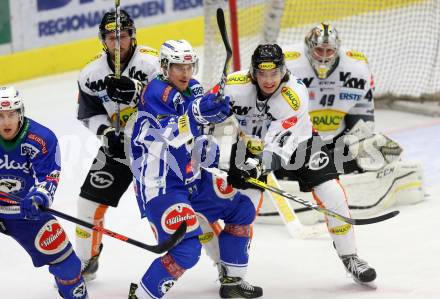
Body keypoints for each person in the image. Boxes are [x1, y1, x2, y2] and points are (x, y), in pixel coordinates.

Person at [106, 39, 262, 298]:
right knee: (187, 250)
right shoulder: (154, 93)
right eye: (178, 67)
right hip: (161, 186)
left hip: (193, 178)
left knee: (241, 207)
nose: (185, 73)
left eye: (190, 66)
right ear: (165, 67)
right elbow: (169, 133)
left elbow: (200, 134)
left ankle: (232, 279)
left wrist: (223, 165)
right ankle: (142, 295)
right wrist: (199, 113)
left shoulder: (194, 88)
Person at [219, 43, 377, 286]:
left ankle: (351, 257)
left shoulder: (294, 95)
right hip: (249, 145)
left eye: (274, 73)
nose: (269, 80)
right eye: (263, 74)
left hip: (299, 143)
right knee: (244, 207)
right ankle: (231, 273)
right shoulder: (233, 85)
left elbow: (277, 150)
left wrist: (258, 167)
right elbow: (203, 110)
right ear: (253, 72)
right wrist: (211, 108)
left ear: (283, 70)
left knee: (332, 192)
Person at [75, 9, 160, 281]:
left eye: (122, 36)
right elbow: (88, 113)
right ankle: (86, 261)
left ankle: (224, 264)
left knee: (181, 204)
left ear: (132, 37)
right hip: (117, 148)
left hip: (157, 149)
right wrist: (106, 132)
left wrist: (138, 91)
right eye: (111, 38)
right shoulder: (90, 73)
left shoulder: (153, 64)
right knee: (87, 204)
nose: (117, 42)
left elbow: (172, 104)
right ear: (103, 40)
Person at [0, 86, 88, 298]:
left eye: (11, 114)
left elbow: (49, 176)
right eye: (0, 116)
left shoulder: (40, 138)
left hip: (24, 212)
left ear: (20, 112)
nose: (6, 122)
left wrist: (38, 197)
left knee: (69, 266)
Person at [279, 22, 401, 175]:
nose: (323, 57)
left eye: (328, 50)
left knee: (382, 152)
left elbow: (362, 111)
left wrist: (362, 145)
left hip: (338, 137)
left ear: (337, 50)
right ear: (309, 47)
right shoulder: (285, 63)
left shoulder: (357, 66)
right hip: (297, 140)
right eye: (318, 50)